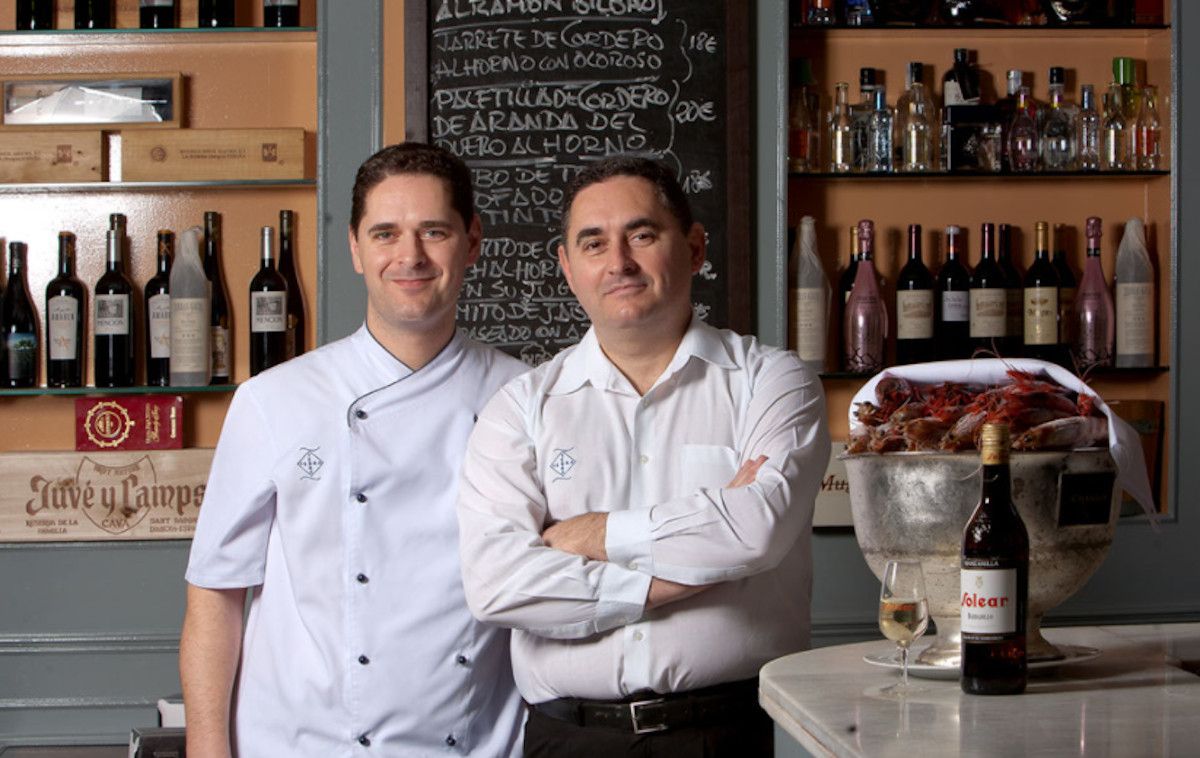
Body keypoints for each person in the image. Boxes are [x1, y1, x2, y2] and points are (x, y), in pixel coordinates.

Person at [456, 155, 831, 756]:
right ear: (568, 267)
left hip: (725, 736)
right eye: (594, 243)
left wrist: (597, 534)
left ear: (694, 247)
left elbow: (757, 531)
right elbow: (497, 584)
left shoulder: (771, 381)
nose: (619, 262)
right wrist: (667, 581)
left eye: (642, 235)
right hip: (568, 741)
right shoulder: (520, 408)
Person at [180, 143, 527, 756]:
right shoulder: (274, 400)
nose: (410, 256)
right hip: (300, 741)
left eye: (435, 231)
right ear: (355, 248)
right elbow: (216, 593)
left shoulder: (524, 397)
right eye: (386, 233)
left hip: (473, 742)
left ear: (472, 242)